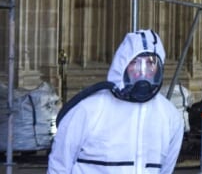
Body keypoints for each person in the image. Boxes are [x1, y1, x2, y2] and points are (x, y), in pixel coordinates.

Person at [48, 29, 184, 173]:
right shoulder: (89, 110)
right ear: (122, 64)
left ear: (159, 68)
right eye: (135, 62)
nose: (142, 71)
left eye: (150, 63)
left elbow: (166, 170)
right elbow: (59, 165)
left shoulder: (170, 117)